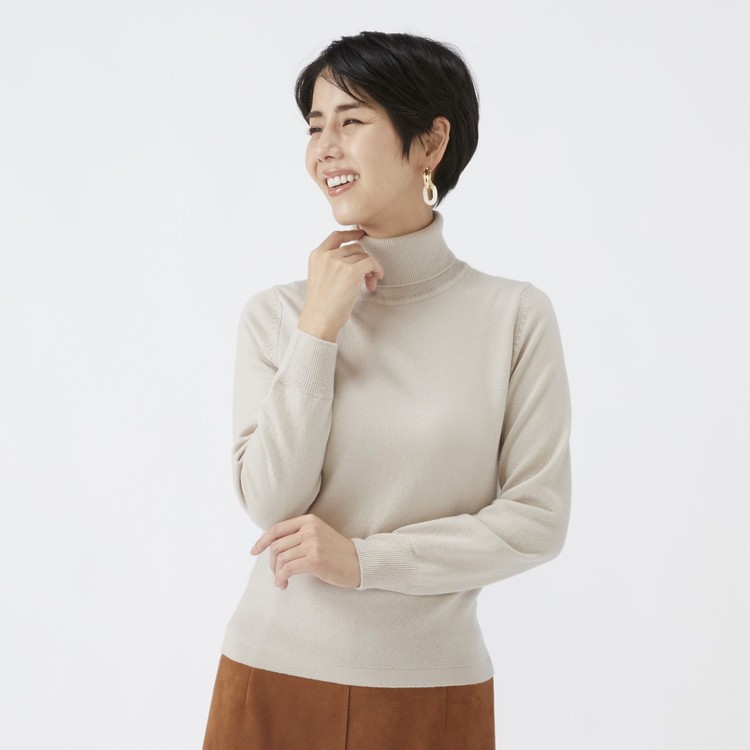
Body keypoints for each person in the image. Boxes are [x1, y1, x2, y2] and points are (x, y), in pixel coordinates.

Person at [202, 30, 572, 750]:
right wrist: (318, 329)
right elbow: (271, 503)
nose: (325, 149)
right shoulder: (279, 315)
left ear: (430, 143)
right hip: (270, 679)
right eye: (314, 127)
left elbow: (537, 520)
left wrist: (366, 562)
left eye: (351, 120)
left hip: (433, 694)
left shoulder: (514, 317)